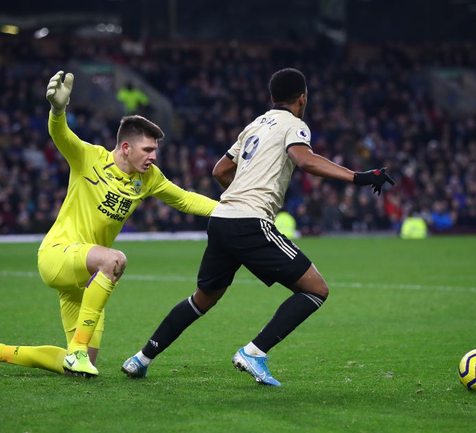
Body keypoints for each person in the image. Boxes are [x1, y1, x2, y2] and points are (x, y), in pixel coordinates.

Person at [120, 68, 395, 386]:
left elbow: (220, 170)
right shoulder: (295, 126)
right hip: (250, 222)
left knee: (202, 299)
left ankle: (141, 359)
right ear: (302, 98)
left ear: (271, 98)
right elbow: (304, 160)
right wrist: (359, 176)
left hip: (222, 219)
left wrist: (243, 188)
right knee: (316, 290)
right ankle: (254, 352)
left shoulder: (254, 125)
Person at [0, 71, 218, 378]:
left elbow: (185, 199)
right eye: (148, 150)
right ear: (127, 148)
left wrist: (231, 209)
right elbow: (61, 135)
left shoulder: (148, 179)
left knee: (81, 368)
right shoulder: (89, 157)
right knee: (115, 259)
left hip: (86, 275)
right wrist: (57, 110)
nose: (154, 157)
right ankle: (78, 349)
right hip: (58, 255)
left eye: (155, 150)